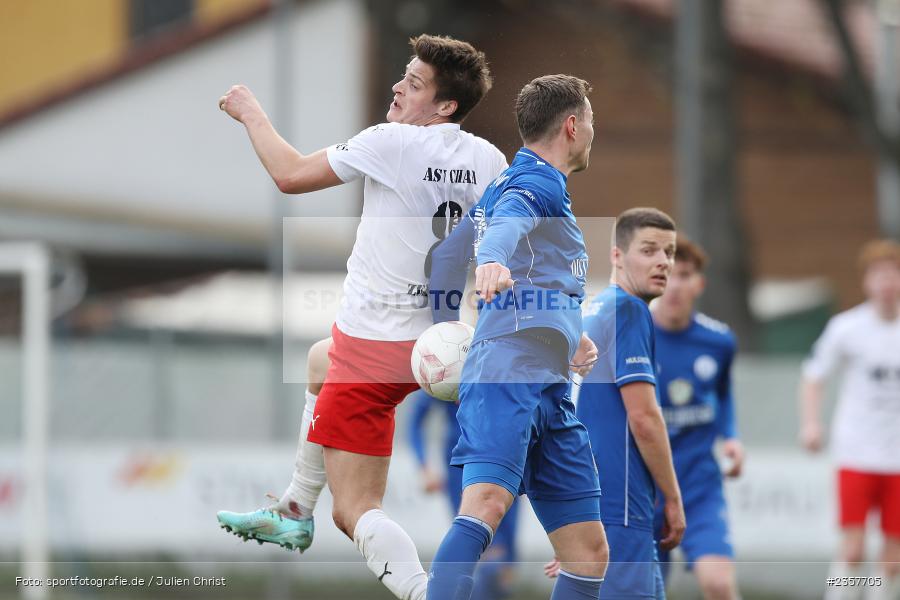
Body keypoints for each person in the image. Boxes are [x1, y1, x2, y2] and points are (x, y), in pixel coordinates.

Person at [215, 34, 507, 600]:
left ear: (444, 106)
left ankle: (426, 595)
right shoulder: (487, 157)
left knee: (354, 511)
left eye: (415, 84)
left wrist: (251, 114)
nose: (398, 87)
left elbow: (291, 174)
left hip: (371, 347)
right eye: (404, 75)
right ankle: (295, 505)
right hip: (435, 345)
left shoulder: (391, 141)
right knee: (318, 359)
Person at [426, 74, 609, 600]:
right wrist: (491, 261)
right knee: (484, 505)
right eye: (591, 121)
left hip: (546, 383)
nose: (593, 132)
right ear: (572, 126)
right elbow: (507, 229)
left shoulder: (504, 183)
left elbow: (443, 262)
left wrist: (566, 332)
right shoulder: (537, 183)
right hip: (508, 373)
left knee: (588, 552)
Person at [552, 207, 685, 599]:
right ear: (616, 255)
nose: (663, 261)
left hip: (588, 496)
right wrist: (673, 499)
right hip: (620, 503)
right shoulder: (628, 310)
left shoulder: (593, 309)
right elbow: (644, 417)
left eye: (669, 252)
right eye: (648, 250)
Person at [799, 239, 900, 600]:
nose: (887, 283)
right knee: (854, 548)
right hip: (857, 451)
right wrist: (811, 424)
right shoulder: (848, 327)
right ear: (867, 282)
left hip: (897, 459)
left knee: (892, 558)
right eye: (879, 275)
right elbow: (814, 375)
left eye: (893, 275)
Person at [651, 237, 743, 600]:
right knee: (646, 592)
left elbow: (722, 394)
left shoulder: (719, 341)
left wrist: (731, 436)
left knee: (719, 584)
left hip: (699, 485)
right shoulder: (633, 335)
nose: (676, 284)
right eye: (670, 274)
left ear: (699, 284)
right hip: (645, 490)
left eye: (685, 275)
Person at [407, 389, 521, 599]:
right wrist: (425, 466)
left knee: (505, 565)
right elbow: (415, 421)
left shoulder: (509, 366)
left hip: (508, 459)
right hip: (463, 467)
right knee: (486, 555)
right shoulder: (450, 367)